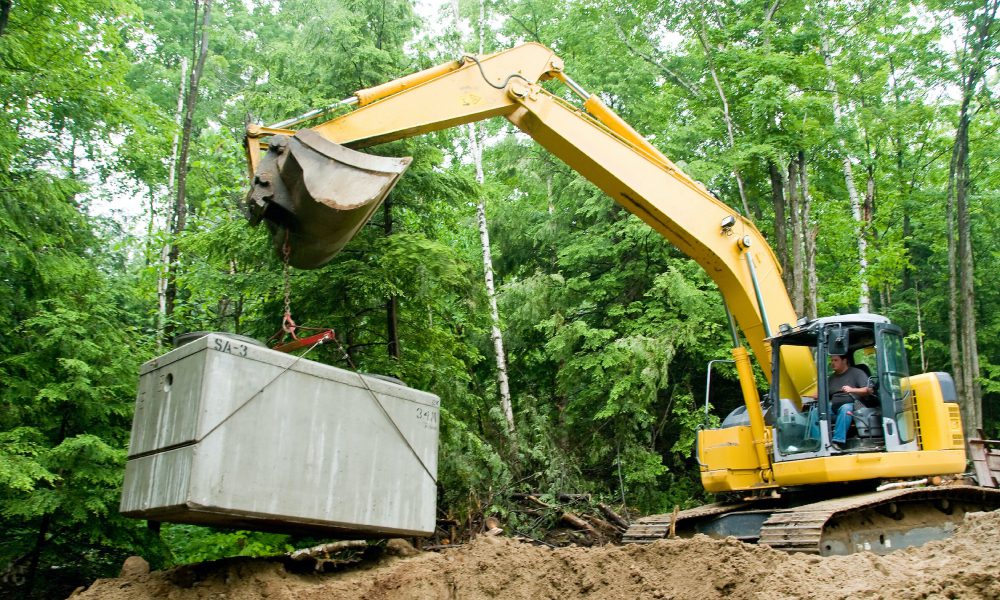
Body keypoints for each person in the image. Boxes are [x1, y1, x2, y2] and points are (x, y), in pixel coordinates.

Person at [828, 354, 872, 450]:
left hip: (854, 407)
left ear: (844, 361)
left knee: (845, 408)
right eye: (831, 361)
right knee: (816, 411)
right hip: (834, 408)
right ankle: (817, 440)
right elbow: (826, 395)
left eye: (835, 360)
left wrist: (852, 389)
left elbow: (868, 390)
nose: (832, 363)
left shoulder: (857, 373)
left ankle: (838, 441)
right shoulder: (831, 378)